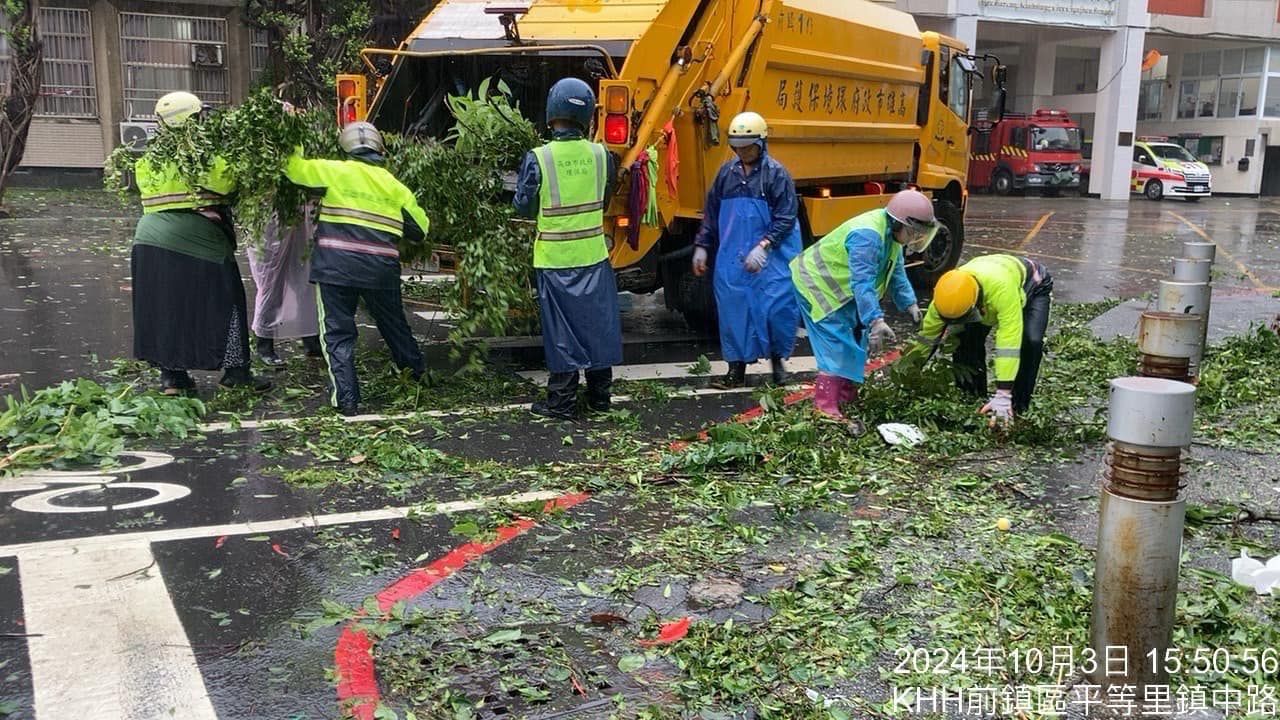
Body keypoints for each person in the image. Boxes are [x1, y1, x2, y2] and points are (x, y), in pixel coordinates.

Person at [282, 121, 430, 416]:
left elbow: (293, 169)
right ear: (378, 147)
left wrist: (292, 132)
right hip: (380, 270)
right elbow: (420, 229)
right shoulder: (394, 185)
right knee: (394, 325)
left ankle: (347, 400)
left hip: (336, 268)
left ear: (346, 147)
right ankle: (417, 377)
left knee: (338, 333)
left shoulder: (332, 171)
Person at [130, 91, 270, 395]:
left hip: (148, 240)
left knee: (166, 307)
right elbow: (231, 183)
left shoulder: (146, 161)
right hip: (196, 239)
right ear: (193, 120)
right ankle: (236, 371)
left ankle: (172, 377)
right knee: (228, 301)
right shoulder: (202, 157)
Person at [514, 77, 622, 420]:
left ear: (551, 114)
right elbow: (604, 199)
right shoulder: (603, 155)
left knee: (562, 331)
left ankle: (561, 402)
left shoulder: (539, 158)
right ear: (588, 115)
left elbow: (524, 207)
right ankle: (600, 397)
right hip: (594, 256)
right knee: (597, 326)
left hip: (555, 260)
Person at [790, 189, 938, 432]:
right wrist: (876, 320)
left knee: (856, 337)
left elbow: (896, 271)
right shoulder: (867, 237)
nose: (914, 239)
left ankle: (846, 394)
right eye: (913, 232)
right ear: (899, 223)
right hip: (818, 285)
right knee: (836, 344)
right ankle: (825, 406)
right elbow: (863, 283)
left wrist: (909, 303)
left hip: (840, 289)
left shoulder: (891, 236)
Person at [692, 111, 801, 387]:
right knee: (733, 312)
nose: (742, 153)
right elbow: (712, 212)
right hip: (733, 259)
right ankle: (735, 371)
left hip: (772, 259)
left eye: (748, 147)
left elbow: (787, 216)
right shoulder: (726, 174)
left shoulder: (776, 174)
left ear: (762, 143)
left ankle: (778, 364)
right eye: (737, 147)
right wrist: (702, 246)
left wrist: (765, 245)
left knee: (776, 310)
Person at [915, 253, 1054, 426]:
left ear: (976, 304)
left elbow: (1008, 343)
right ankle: (972, 400)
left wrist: (1003, 393)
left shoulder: (1002, 292)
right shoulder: (944, 299)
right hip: (986, 283)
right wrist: (908, 371)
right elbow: (926, 339)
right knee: (964, 338)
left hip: (1031, 285)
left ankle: (1016, 408)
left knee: (1030, 341)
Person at [249, 206, 323, 366]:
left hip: (302, 213)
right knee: (271, 284)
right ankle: (264, 344)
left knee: (304, 277)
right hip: (271, 215)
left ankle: (311, 339)